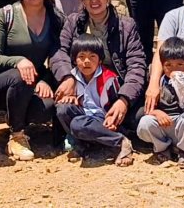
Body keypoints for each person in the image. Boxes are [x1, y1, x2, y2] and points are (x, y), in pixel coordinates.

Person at [0, 0, 64, 161]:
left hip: (32, 81)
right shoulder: (5, 16)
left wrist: (45, 79)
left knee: (45, 108)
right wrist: (18, 61)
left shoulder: (55, 18)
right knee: (21, 76)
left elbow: (58, 55)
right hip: (2, 85)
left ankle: (21, 119)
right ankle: (16, 136)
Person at [52, 0, 146, 138]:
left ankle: (91, 134)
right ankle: (111, 136)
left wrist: (124, 100)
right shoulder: (72, 22)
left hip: (115, 90)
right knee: (63, 109)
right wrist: (68, 78)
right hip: (83, 91)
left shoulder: (126, 26)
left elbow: (136, 66)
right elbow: (59, 53)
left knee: (140, 118)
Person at [56, 35, 135, 167]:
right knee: (62, 108)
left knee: (77, 124)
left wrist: (114, 122)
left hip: (103, 120)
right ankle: (81, 144)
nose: (86, 61)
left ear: (100, 60)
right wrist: (70, 99)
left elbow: (116, 106)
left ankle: (120, 141)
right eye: (81, 56)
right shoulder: (71, 78)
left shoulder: (109, 79)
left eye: (92, 56)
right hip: (83, 117)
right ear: (74, 60)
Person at [136, 36, 184, 169]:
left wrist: (181, 88)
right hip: (163, 125)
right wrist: (157, 113)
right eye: (169, 65)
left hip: (182, 126)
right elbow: (148, 108)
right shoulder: (157, 81)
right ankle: (162, 149)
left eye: (180, 64)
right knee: (145, 122)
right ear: (162, 65)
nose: (174, 69)